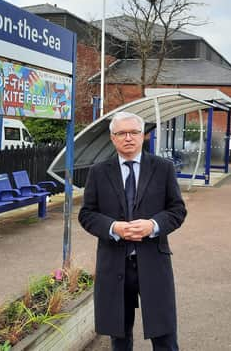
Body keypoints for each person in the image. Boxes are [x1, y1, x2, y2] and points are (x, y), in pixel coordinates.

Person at [79, 111, 187, 350]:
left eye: (134, 132)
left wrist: (153, 225)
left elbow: (177, 210)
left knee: (165, 335)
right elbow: (86, 214)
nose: (128, 138)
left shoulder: (163, 168)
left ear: (143, 136)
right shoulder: (99, 172)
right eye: (121, 133)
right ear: (112, 138)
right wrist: (113, 227)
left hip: (153, 263)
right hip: (114, 265)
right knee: (119, 336)